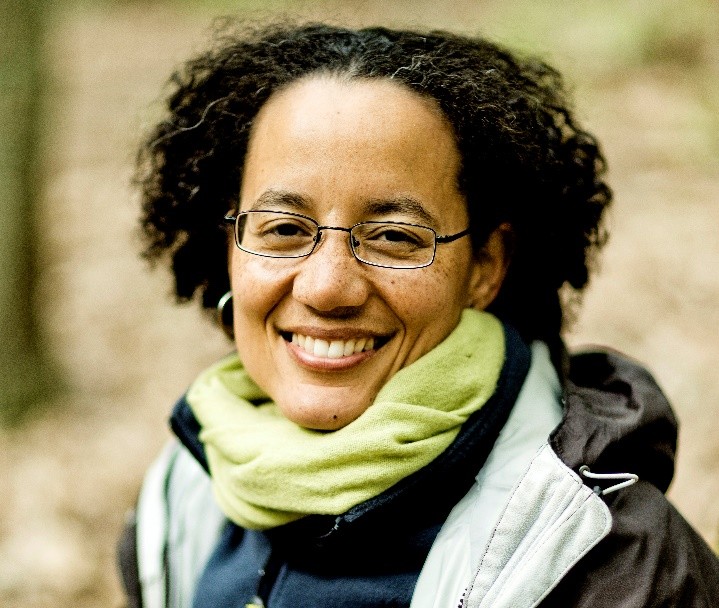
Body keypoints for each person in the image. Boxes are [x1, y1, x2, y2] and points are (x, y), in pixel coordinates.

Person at [117, 21, 719, 608]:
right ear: (227, 246)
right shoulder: (182, 501)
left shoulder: (610, 561)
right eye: (283, 229)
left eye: (395, 237)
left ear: (486, 265)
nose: (327, 288)